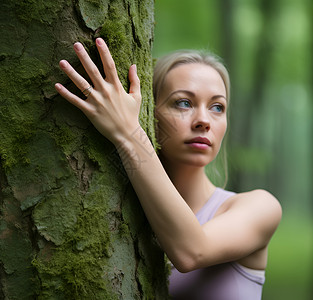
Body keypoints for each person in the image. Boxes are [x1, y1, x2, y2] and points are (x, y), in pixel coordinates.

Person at [55, 38, 282, 300]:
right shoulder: (120, 212)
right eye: (183, 103)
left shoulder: (260, 207)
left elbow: (192, 251)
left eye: (217, 107)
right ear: (149, 111)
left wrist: (128, 133)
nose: (204, 121)